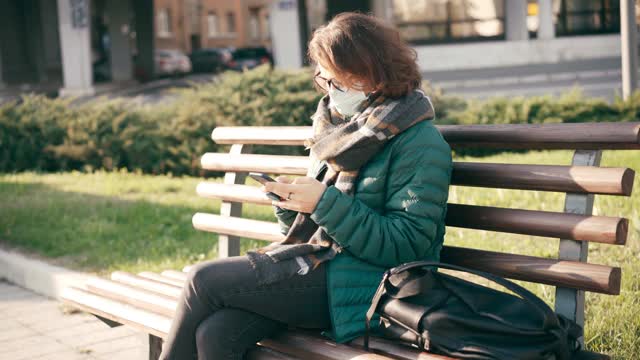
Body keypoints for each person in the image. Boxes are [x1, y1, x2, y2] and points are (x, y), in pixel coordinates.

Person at [158, 12, 452, 360]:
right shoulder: (337, 132)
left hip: (369, 286)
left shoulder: (419, 142)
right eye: (325, 80)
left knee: (202, 279)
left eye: (341, 82)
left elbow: (405, 246)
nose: (331, 93)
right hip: (321, 269)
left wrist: (323, 203)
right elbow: (306, 232)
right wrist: (290, 204)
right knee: (217, 331)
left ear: (376, 73)